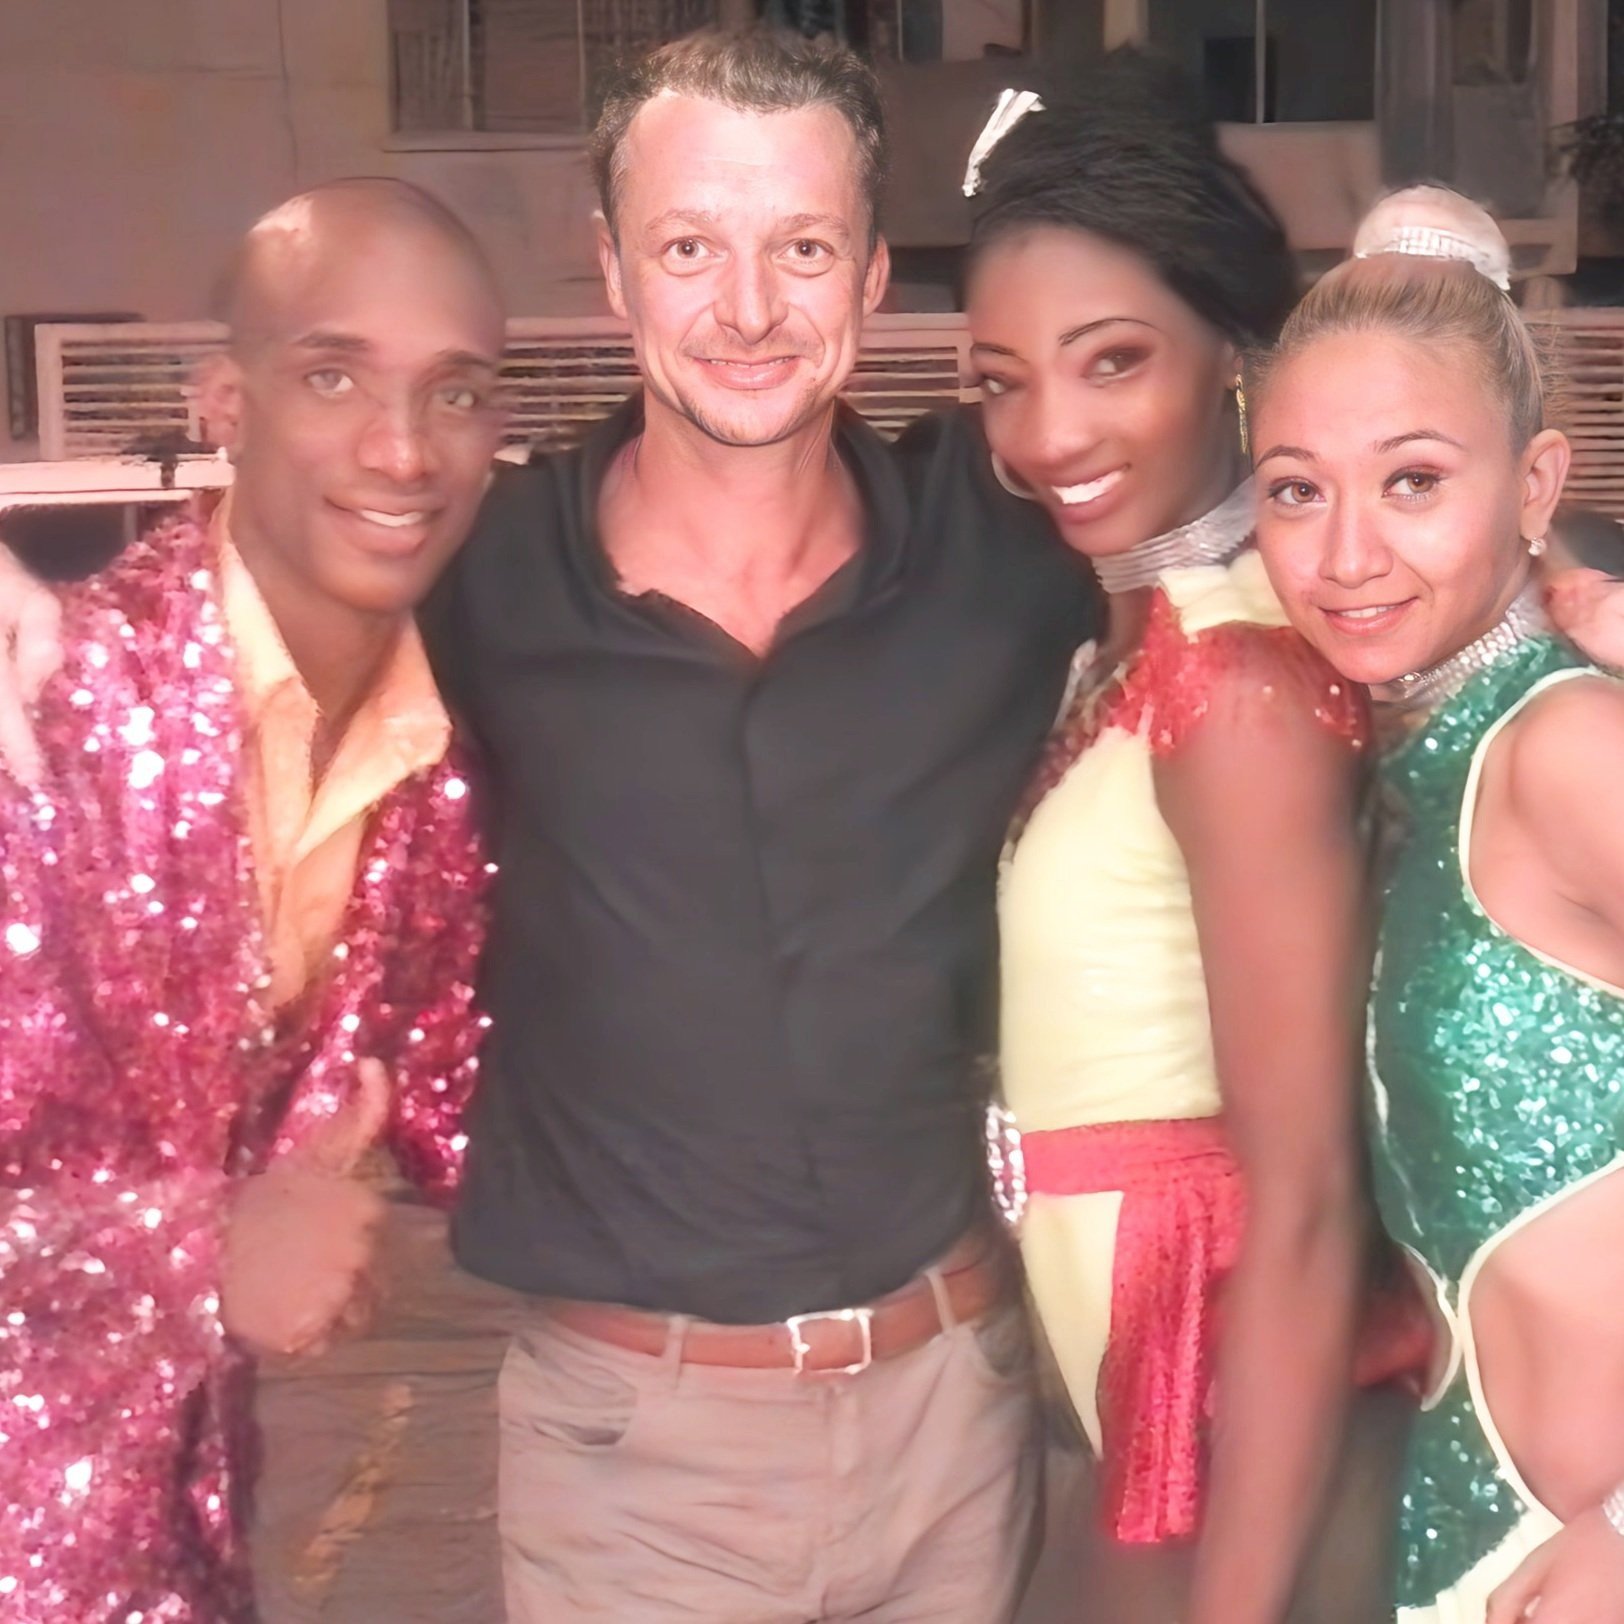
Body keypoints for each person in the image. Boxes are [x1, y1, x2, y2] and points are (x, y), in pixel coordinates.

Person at [0, 30, 1097, 1621]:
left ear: (871, 277)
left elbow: (1258, 529)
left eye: (801, 249)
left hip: (960, 1428)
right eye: (689, 247)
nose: (746, 307)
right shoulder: (472, 579)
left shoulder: (1003, 556)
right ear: (612, 269)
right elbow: (225, 615)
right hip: (634, 1461)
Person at [0, 178, 512, 1621]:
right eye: (334, 376)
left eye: (456, 393)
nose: (402, 449)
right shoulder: (39, 709)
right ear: (226, 402)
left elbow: (472, 1108)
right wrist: (200, 1247)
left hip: (181, 1548)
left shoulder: (428, 779)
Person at [962, 60, 1422, 1624]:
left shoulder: (1237, 686)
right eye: (1003, 378)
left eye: (1112, 361)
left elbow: (1305, 1204)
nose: (1050, 430)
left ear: (1231, 353)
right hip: (1148, 1431)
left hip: (1228, 1441)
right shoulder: (1132, 648)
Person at [1251, 187, 1624, 1623]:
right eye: (1297, 489)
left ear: (1535, 487)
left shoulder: (1565, 748)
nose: (1345, 555)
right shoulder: (1420, 766)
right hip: (1477, 1534)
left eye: (1412, 481)